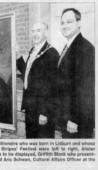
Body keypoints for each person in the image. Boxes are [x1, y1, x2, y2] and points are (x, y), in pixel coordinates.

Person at [56, 8, 95, 138]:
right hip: (66, 119)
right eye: (62, 23)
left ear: (79, 23)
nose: (65, 26)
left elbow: (86, 89)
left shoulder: (85, 48)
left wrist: (74, 119)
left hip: (76, 123)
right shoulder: (67, 47)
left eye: (69, 22)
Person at [17, 22, 59, 138]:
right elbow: (29, 72)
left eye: (39, 31)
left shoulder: (51, 53)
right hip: (30, 108)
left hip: (42, 111)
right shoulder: (33, 50)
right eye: (33, 31)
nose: (35, 34)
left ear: (46, 33)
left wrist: (44, 113)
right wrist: (17, 57)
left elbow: (52, 87)